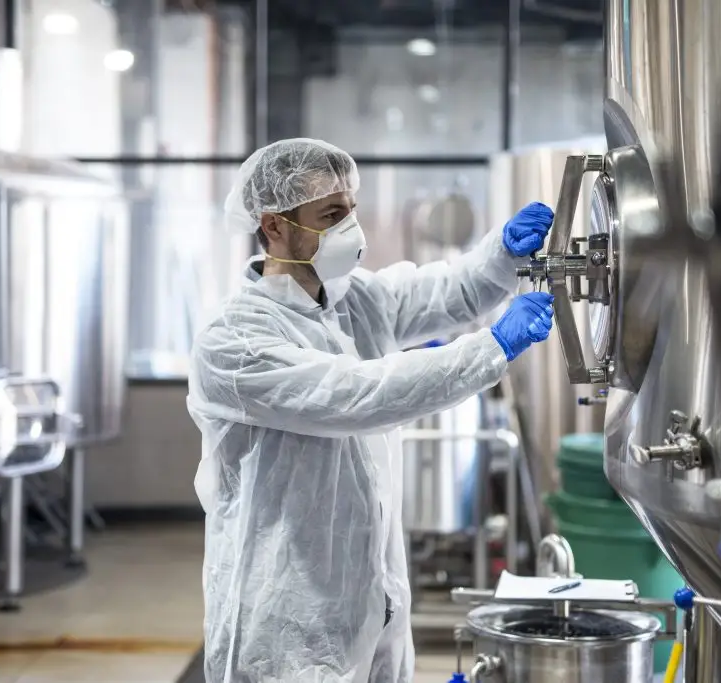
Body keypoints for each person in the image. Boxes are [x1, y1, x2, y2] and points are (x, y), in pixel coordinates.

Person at [188, 138, 555, 683]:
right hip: (287, 613)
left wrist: (500, 255)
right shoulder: (234, 340)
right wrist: (491, 347)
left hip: (372, 596)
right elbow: (358, 395)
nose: (350, 229)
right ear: (273, 226)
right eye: (330, 215)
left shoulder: (352, 301)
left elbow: (443, 293)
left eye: (351, 210)